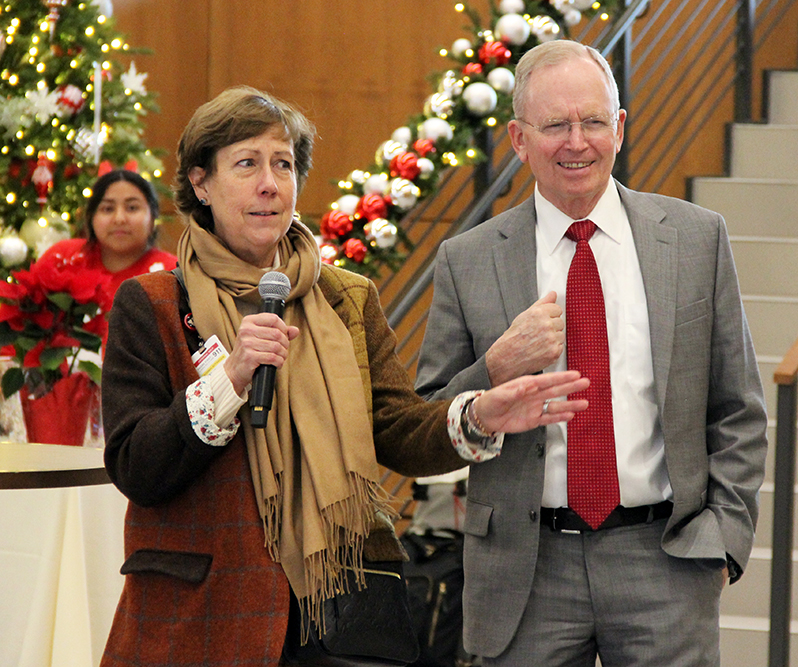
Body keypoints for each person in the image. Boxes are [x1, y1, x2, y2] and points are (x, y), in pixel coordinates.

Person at [99, 86, 589, 667]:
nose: (269, 184)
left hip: (337, 612)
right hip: (203, 615)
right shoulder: (152, 302)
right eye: (247, 164)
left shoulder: (346, 298)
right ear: (201, 183)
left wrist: (476, 415)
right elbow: (135, 466)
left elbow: (397, 427)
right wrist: (228, 381)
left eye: (283, 164)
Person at [415, 40, 768, 666]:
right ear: (520, 140)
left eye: (593, 121)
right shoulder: (469, 261)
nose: (576, 142)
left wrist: (723, 541)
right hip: (526, 570)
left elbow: (737, 409)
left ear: (620, 127)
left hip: (667, 558)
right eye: (555, 126)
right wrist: (497, 367)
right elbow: (425, 426)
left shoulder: (695, 239)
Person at [38, 168, 177, 299]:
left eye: (132, 208)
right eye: (108, 209)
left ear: (153, 218)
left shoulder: (172, 275)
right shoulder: (62, 257)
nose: (119, 219)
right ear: (91, 217)